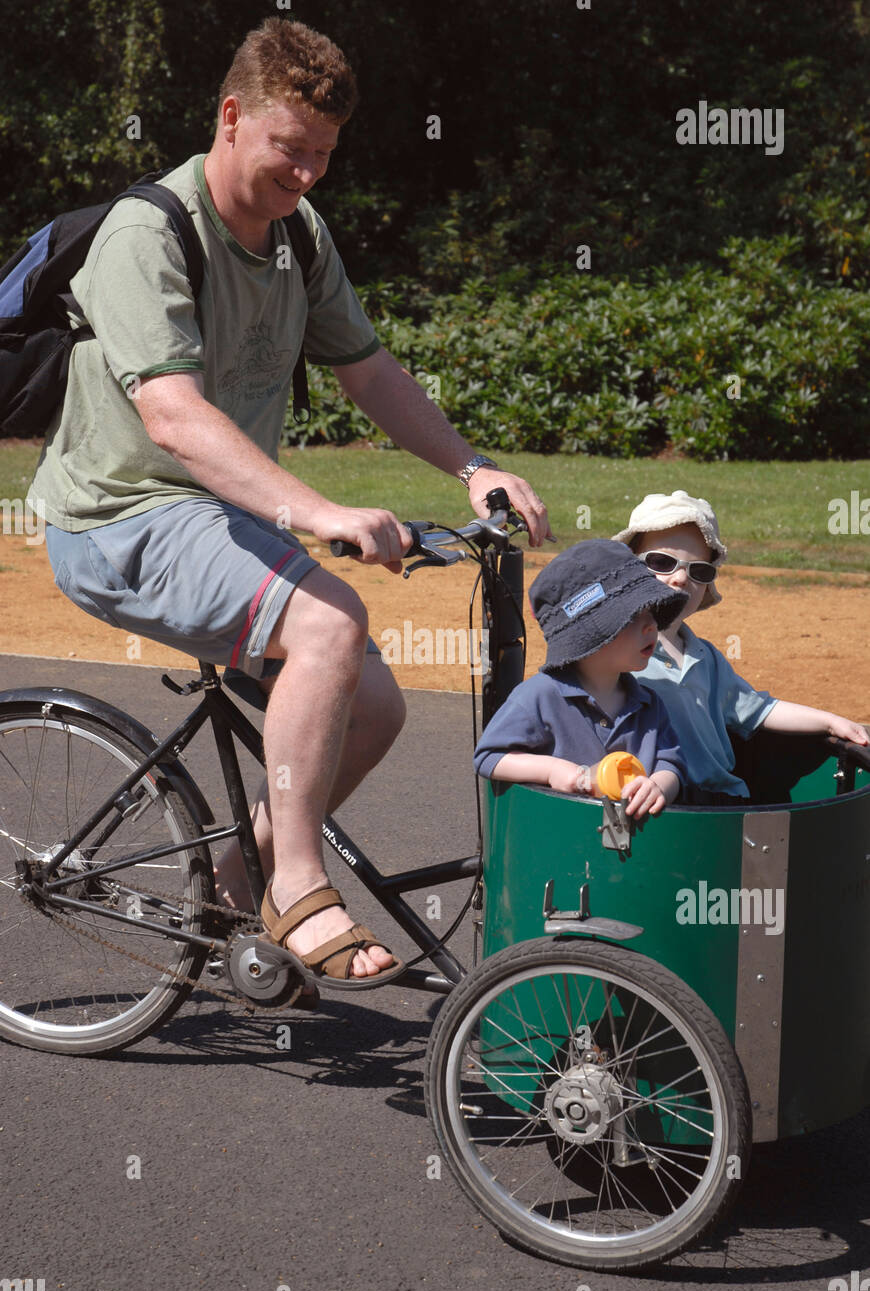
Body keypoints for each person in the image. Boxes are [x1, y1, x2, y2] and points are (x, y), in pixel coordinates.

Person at [27, 18, 549, 996]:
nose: (307, 174)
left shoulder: (298, 238)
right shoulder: (152, 233)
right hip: (122, 517)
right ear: (231, 117)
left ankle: (237, 884)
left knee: (378, 705)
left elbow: (369, 370)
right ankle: (299, 884)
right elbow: (174, 419)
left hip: (219, 519)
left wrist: (471, 466)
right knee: (330, 618)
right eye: (289, 149)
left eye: (322, 156)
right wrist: (318, 511)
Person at [613, 490, 869, 804]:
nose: (680, 577)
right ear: (628, 565)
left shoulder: (705, 657)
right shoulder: (613, 652)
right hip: (652, 800)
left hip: (721, 797)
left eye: (699, 570)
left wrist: (831, 721)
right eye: (661, 562)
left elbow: (759, 710)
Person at [472, 539, 688, 818]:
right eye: (634, 615)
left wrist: (659, 787)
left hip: (636, 854)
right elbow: (489, 757)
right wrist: (554, 770)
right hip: (561, 847)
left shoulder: (648, 704)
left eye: (651, 612)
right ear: (590, 635)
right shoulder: (541, 696)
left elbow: (671, 763)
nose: (652, 625)